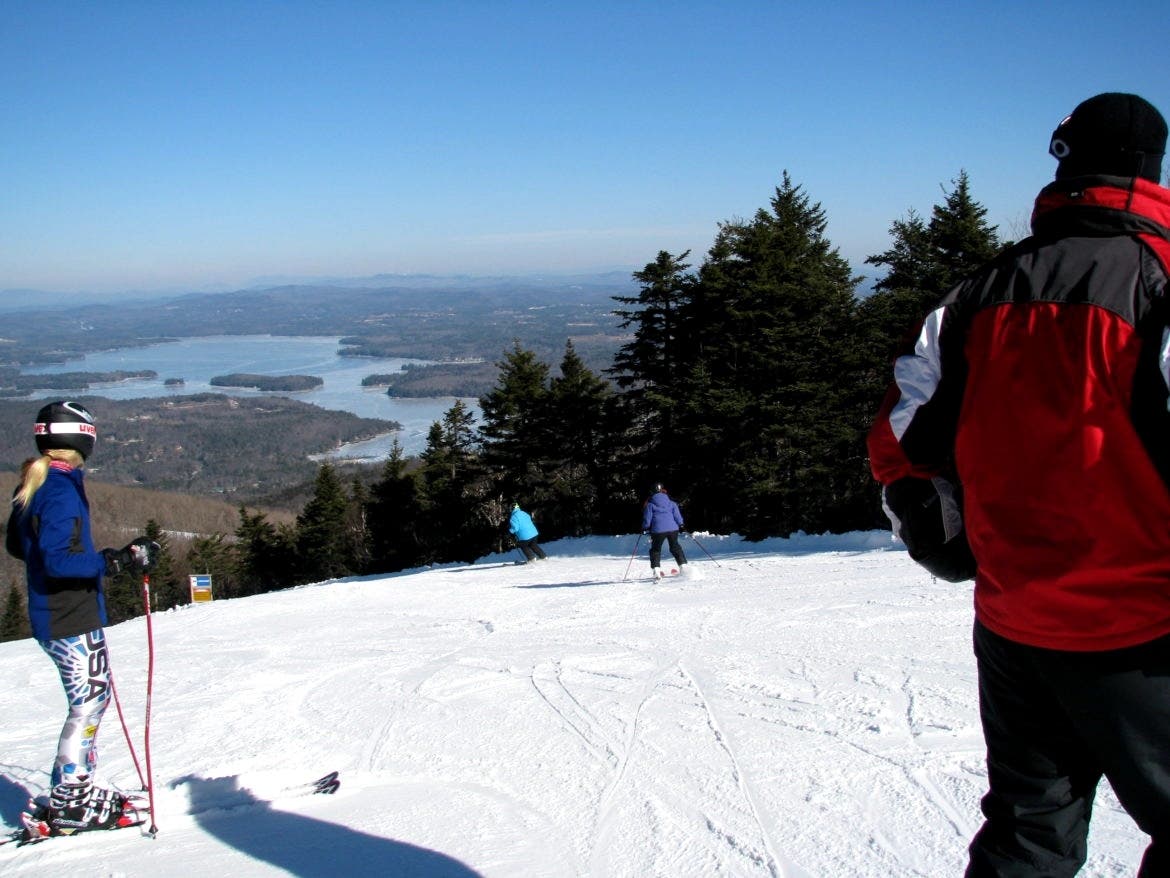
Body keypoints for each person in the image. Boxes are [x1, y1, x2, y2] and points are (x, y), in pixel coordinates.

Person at [868, 93, 1170, 876]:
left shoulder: (976, 294)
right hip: (1141, 630)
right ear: (1152, 172)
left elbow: (900, 433)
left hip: (1014, 624)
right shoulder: (1158, 285)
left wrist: (945, 543)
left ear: (1064, 162)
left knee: (1027, 835)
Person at [6, 401, 159, 836]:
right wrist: (114, 561)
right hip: (69, 615)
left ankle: (72, 791)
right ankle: (73, 802)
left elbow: (20, 548)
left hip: (54, 615)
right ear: (83, 438)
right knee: (89, 703)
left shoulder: (38, 482)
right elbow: (59, 560)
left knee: (90, 700)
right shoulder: (59, 491)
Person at [641, 483, 687, 577]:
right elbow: (677, 516)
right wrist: (681, 525)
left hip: (658, 531)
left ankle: (656, 571)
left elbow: (647, 519)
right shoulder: (671, 503)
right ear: (662, 490)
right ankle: (683, 567)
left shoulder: (650, 504)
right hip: (673, 529)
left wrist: (644, 527)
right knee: (675, 547)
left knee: (656, 550)